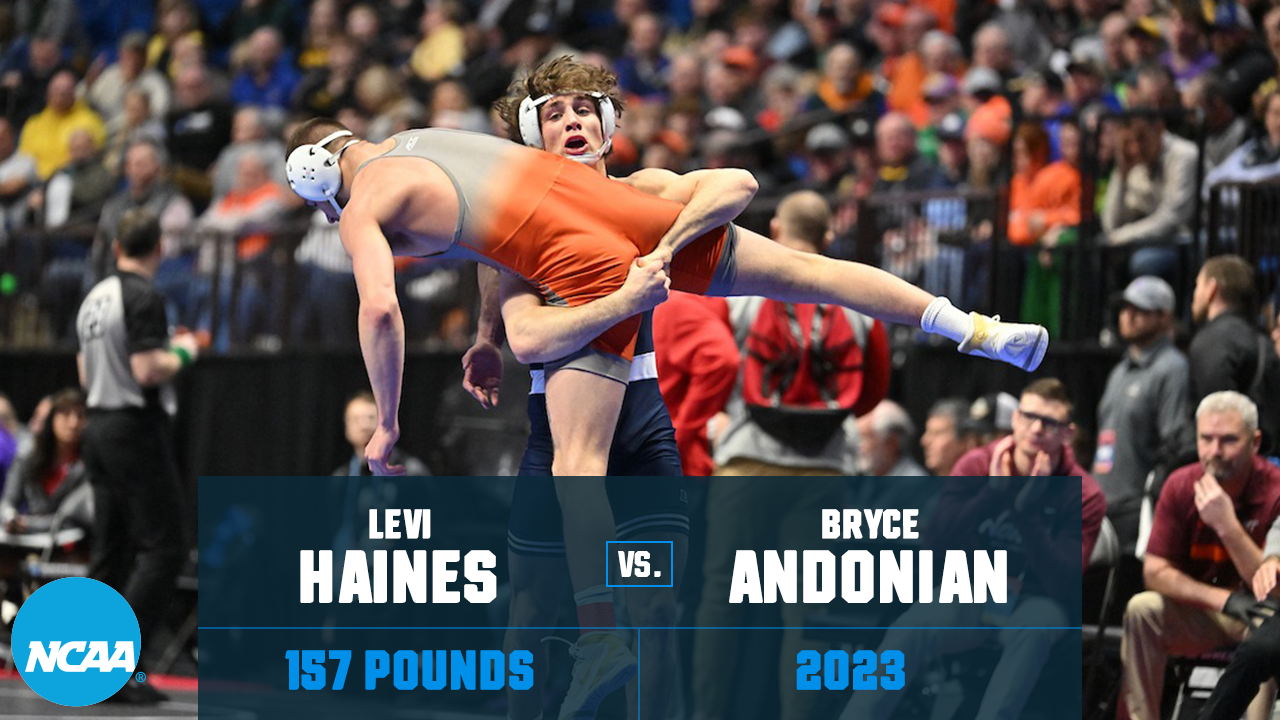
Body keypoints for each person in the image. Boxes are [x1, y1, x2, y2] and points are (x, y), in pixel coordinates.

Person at [841, 380, 1103, 720]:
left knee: (1035, 627)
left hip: (1037, 599)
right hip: (975, 589)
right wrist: (991, 494)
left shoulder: (1084, 493)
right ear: (1016, 419)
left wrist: (1025, 512)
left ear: (1067, 433)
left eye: (1049, 422)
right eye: (1028, 416)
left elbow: (1063, 584)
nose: (1036, 429)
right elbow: (934, 546)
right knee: (911, 625)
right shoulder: (977, 465)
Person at [75, 208, 200, 704]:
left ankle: (87, 664)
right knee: (165, 547)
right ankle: (117, 664)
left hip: (97, 426)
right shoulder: (142, 295)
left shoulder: (94, 297)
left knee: (111, 552)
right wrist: (186, 350)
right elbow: (149, 370)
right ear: (159, 250)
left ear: (115, 247)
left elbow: (84, 375)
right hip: (132, 428)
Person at [1116, 391, 1280, 720]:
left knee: (1269, 630)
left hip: (1261, 613)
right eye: (1206, 439)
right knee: (1141, 609)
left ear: (1255, 442)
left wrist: (1227, 526)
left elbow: (1272, 587)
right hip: (1205, 611)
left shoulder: (1275, 489)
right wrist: (1223, 600)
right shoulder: (1180, 484)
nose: (1214, 451)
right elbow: (1155, 572)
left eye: (1229, 440)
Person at [1094, 276, 1193, 554]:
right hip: (1104, 503)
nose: (1128, 316)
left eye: (1140, 310)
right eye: (1125, 308)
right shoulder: (1119, 370)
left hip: (1136, 507)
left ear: (1164, 317)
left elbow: (1174, 442)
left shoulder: (1172, 368)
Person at [0, 388, 92, 533]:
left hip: (70, 539)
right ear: (51, 419)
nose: (73, 423)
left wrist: (28, 525)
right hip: (26, 538)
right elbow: (8, 500)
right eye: (65, 414)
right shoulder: (28, 458)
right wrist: (9, 516)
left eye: (80, 416)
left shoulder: (89, 465)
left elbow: (72, 517)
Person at [332, 391, 428, 476]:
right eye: (356, 419)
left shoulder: (410, 471)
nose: (364, 426)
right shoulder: (340, 478)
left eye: (371, 418)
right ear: (346, 428)